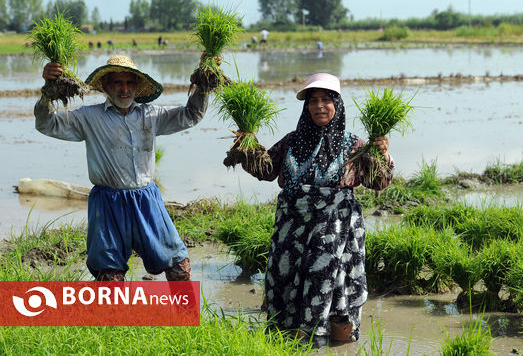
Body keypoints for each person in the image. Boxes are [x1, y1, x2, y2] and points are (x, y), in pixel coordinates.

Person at [242, 73, 394, 346]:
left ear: (337, 104)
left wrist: (383, 154)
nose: (319, 106)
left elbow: (379, 182)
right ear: (306, 106)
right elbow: (265, 170)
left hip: (334, 232)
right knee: (284, 284)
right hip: (291, 231)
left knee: (331, 289)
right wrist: (247, 145)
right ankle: (286, 346)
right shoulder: (292, 141)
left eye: (326, 99)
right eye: (313, 101)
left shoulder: (355, 146)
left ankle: (329, 348)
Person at [34, 55, 211, 282]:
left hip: (147, 200)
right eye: (117, 82)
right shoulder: (90, 117)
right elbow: (46, 124)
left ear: (137, 87)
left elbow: (191, 115)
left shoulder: (151, 115)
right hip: (107, 203)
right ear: (106, 86)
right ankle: (115, 317)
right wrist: (49, 89)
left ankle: (185, 316)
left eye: (129, 83)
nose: (124, 89)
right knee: (110, 275)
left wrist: (204, 81)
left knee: (179, 265)